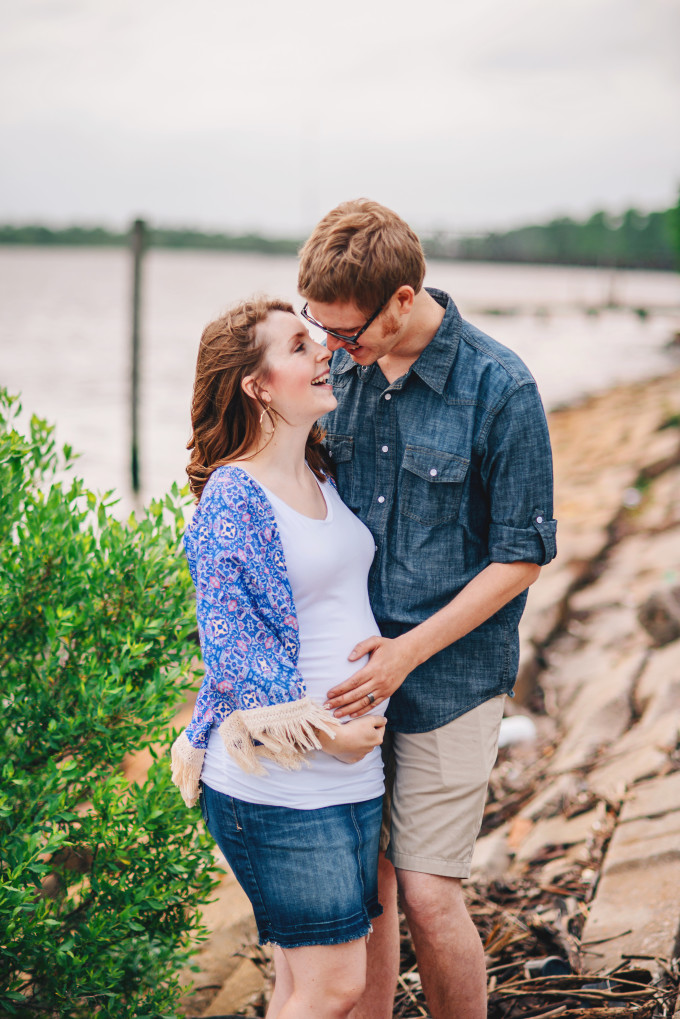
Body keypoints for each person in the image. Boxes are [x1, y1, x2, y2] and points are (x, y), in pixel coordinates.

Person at [297, 199, 557, 1019]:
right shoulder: (337, 368)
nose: (336, 350)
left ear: (404, 298)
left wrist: (408, 651)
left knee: (428, 895)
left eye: (349, 333)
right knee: (361, 892)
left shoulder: (501, 387)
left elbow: (521, 554)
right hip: (343, 682)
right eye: (321, 330)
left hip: (451, 681)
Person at [171, 296, 391, 1019]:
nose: (323, 348)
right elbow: (233, 651)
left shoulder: (318, 472)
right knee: (334, 987)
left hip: (344, 774)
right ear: (257, 385)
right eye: (299, 345)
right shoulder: (235, 493)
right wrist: (329, 731)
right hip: (283, 780)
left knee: (302, 983)